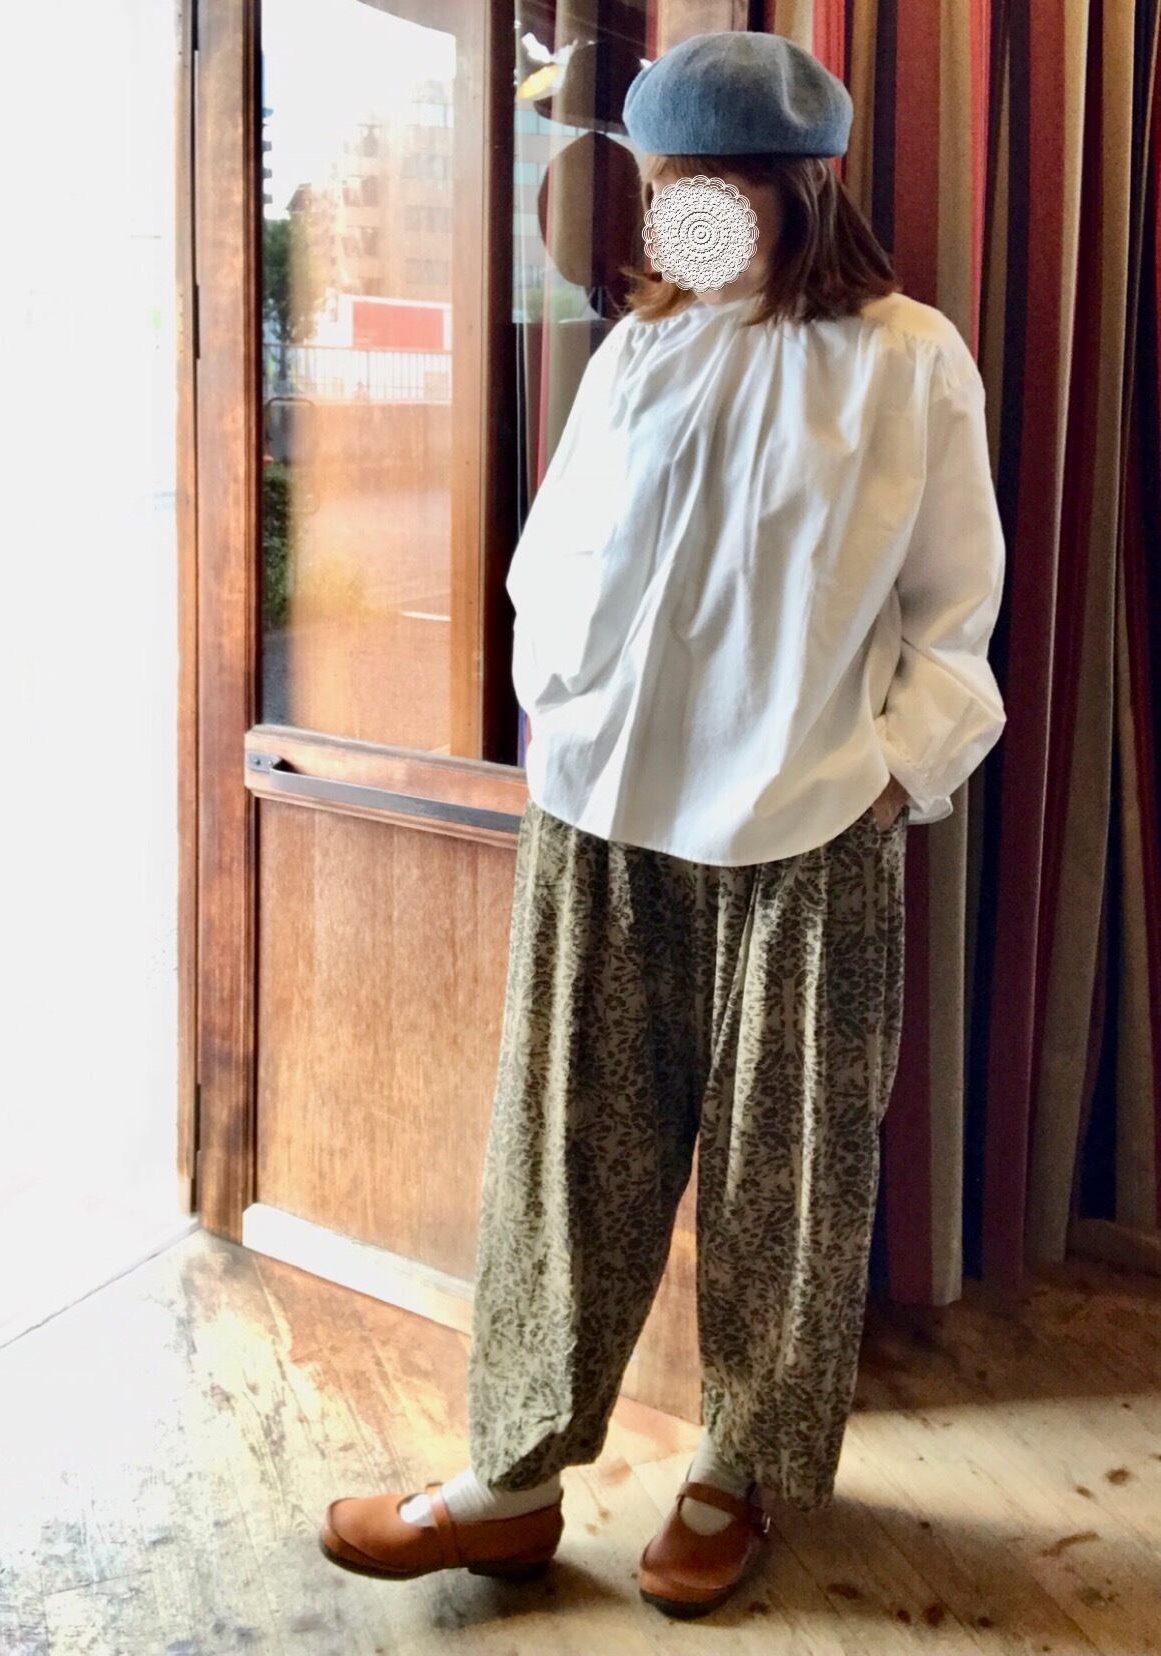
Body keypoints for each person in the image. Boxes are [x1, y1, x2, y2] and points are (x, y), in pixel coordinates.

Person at [317, 30, 1008, 1619]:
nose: (672, 215)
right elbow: (555, 560)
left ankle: (737, 1473)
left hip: (805, 834)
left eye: (701, 184)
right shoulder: (640, 352)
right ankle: (509, 1484)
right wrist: (558, 711)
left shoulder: (907, 360)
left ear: (794, 186)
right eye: (660, 185)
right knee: (564, 1162)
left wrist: (887, 775)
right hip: (604, 817)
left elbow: (954, 611)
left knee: (785, 1179)